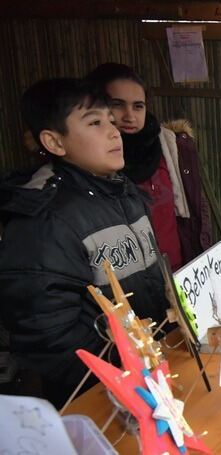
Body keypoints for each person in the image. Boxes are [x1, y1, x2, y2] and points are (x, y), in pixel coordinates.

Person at [0, 78, 167, 408]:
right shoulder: (45, 219)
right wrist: (122, 379)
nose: (114, 131)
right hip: (102, 398)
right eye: (94, 122)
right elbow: (47, 335)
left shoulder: (126, 194)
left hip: (152, 381)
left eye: (111, 120)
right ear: (55, 142)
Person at [87, 63, 211, 271]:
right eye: (117, 104)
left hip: (175, 271)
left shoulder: (170, 147)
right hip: (125, 285)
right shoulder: (87, 163)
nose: (129, 115)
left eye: (138, 106)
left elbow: (194, 211)